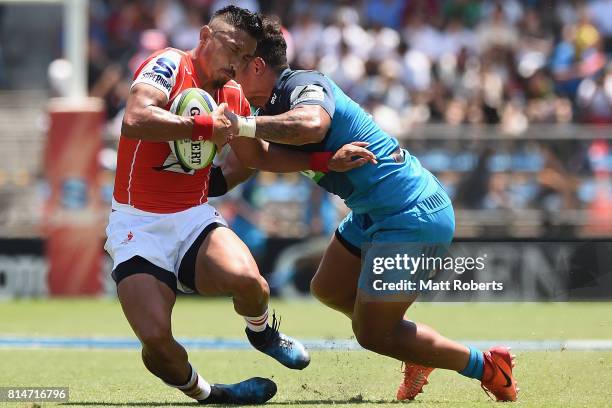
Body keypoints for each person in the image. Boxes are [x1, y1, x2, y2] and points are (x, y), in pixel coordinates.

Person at [215, 16, 518, 403]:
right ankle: (416, 350)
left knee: (372, 334)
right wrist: (199, 181)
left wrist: (241, 125)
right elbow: (253, 160)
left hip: (412, 214)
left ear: (258, 66)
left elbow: (310, 125)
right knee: (327, 288)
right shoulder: (264, 113)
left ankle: (488, 365)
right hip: (373, 215)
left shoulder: (303, 85)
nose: (230, 75)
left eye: (236, 65)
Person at [105, 6, 374, 405]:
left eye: (246, 57)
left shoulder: (231, 95)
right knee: (158, 343)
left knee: (252, 284)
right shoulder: (168, 65)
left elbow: (256, 157)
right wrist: (204, 127)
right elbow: (135, 117)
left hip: (193, 217)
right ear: (203, 37)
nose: (236, 63)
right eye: (232, 48)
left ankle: (262, 332)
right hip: (136, 225)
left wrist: (322, 161)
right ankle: (210, 393)